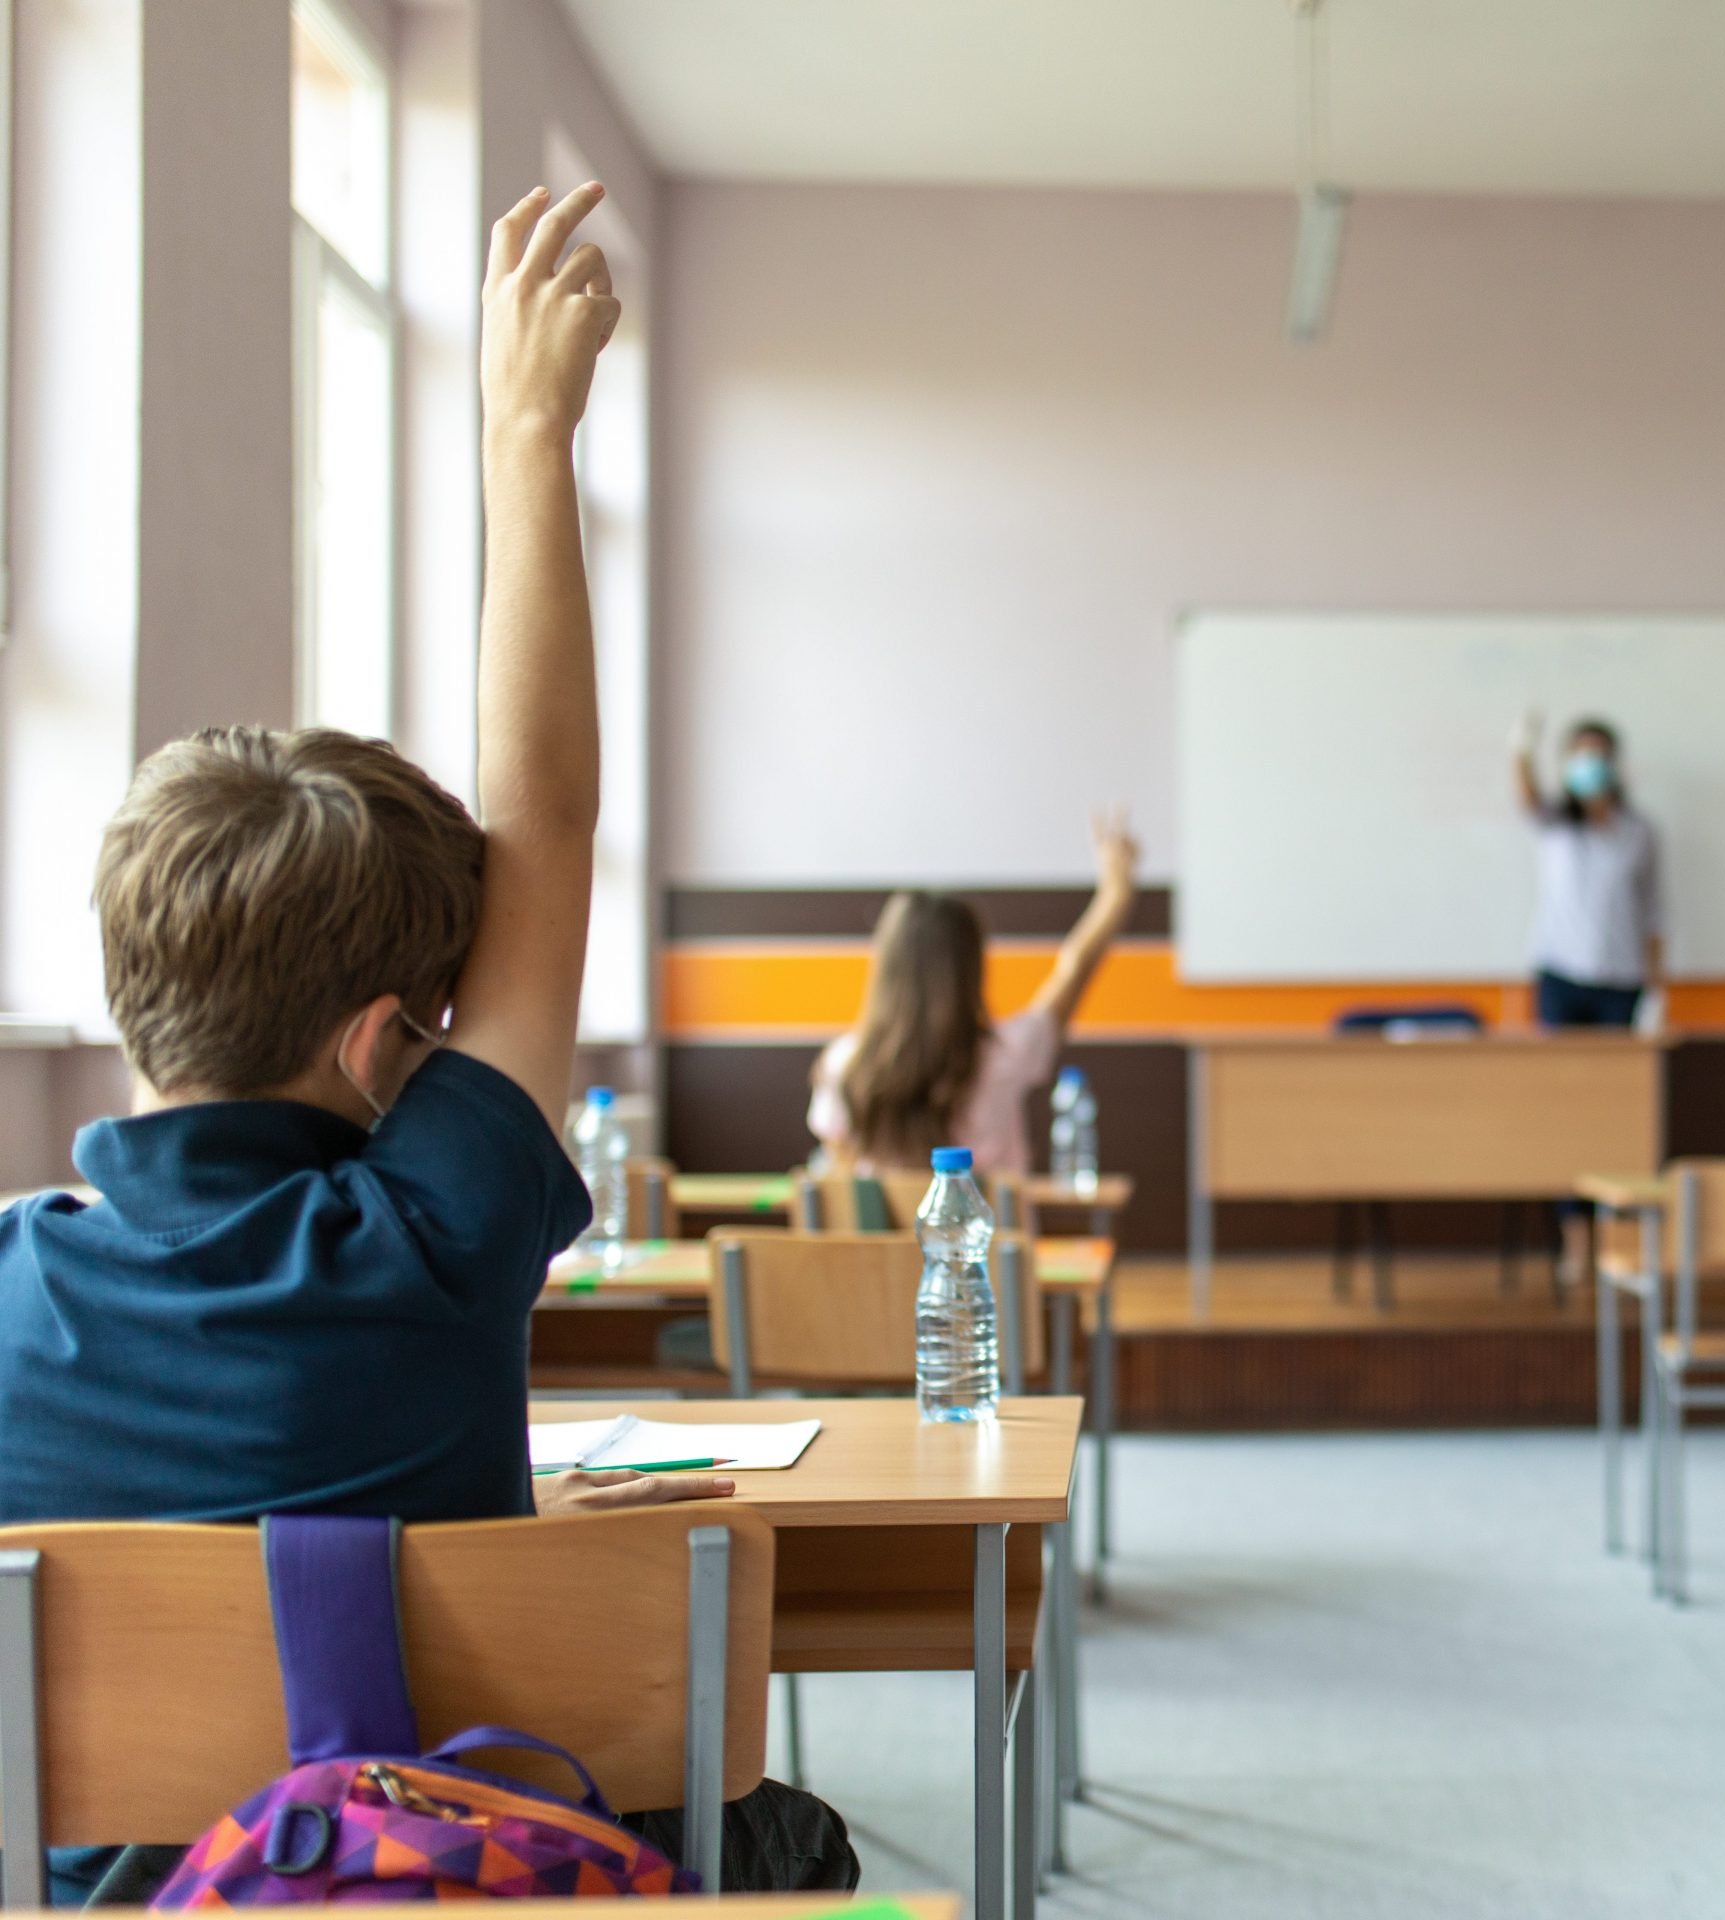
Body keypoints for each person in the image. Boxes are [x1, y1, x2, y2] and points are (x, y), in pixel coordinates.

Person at [0, 184, 852, 1902]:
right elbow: (547, 813)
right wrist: (525, 429)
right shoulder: (430, 1237)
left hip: (97, 1892)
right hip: (431, 1871)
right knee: (786, 1837)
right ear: (388, 1041)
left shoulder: (12, 1284)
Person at [810, 810, 1138, 1174]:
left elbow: (837, 1182)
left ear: (886, 970)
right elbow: (1073, 969)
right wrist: (1116, 892)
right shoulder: (1005, 1057)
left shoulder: (845, 1065)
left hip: (888, 1234)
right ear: (971, 971)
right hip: (997, 1233)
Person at [1513, 713, 1664, 1032]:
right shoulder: (1556, 824)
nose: (1590, 761)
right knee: (1559, 1075)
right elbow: (1529, 800)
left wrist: (1656, 990)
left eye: (1598, 753)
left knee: (1615, 1076)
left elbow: (1653, 911)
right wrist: (1522, 751)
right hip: (1560, 972)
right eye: (1581, 753)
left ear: (1613, 762)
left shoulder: (1638, 832)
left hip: (1621, 977)